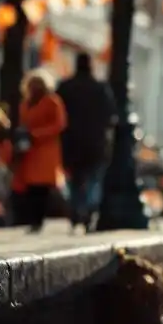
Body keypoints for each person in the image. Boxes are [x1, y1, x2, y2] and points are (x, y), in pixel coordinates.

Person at [57, 52, 117, 231]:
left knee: (75, 180)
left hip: (71, 143)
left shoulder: (65, 87)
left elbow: (58, 114)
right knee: (93, 179)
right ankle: (89, 209)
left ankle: (76, 210)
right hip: (95, 143)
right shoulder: (100, 89)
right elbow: (110, 116)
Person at [17, 69, 68, 233]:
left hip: (46, 150)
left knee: (42, 188)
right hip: (31, 151)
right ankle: (33, 219)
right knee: (31, 187)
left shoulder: (52, 101)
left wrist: (37, 134)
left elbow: (59, 124)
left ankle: (38, 220)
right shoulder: (25, 103)